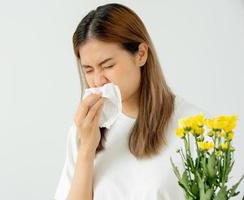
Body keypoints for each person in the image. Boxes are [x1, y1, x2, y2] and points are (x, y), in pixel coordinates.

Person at [54, 3, 209, 200]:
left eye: (108, 65)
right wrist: (86, 149)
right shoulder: (84, 130)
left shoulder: (196, 128)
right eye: (89, 69)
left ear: (141, 54)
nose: (98, 80)